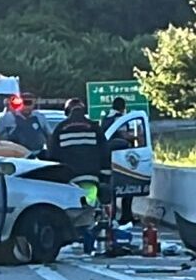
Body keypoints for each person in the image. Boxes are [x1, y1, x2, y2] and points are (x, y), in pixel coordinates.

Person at [47, 99, 107, 205]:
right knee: (90, 205)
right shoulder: (94, 127)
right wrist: (105, 176)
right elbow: (105, 152)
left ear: (67, 111)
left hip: (68, 178)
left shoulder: (60, 128)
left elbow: (52, 154)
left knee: (72, 208)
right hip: (91, 176)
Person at [101, 96, 136, 226]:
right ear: (123, 107)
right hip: (121, 156)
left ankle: (112, 216)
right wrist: (136, 136)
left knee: (112, 189)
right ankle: (126, 215)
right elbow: (124, 135)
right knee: (127, 187)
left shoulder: (106, 119)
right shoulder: (119, 119)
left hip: (106, 158)